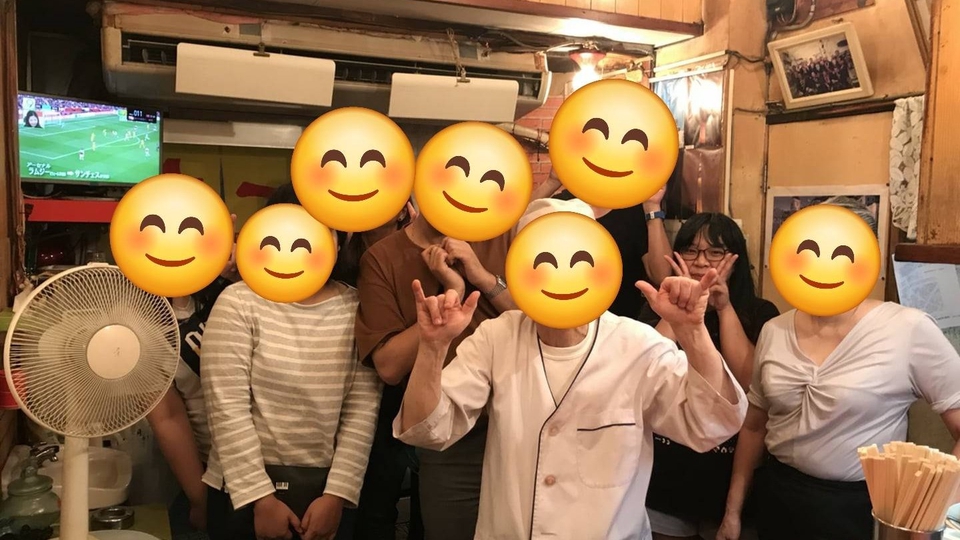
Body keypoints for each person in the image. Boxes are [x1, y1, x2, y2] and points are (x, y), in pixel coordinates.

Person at [396, 198, 748, 540]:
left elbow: (711, 425)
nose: (560, 275)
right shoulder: (497, 338)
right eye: (543, 261)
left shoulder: (636, 345)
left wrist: (692, 332)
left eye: (577, 260)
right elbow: (428, 429)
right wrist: (432, 348)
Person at [716, 205, 960, 540]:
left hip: (861, 508)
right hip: (779, 496)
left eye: (842, 252)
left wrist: (933, 513)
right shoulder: (774, 330)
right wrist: (732, 512)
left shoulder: (908, 328)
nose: (824, 265)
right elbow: (755, 426)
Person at [201, 183, 381, 540]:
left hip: (325, 493)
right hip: (241, 493)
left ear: (340, 239)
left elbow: (362, 408)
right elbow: (227, 408)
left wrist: (337, 495)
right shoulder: (239, 302)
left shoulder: (356, 308)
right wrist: (261, 499)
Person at [641, 213, 779, 540]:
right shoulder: (654, 309)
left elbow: (749, 385)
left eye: (715, 252)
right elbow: (646, 373)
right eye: (691, 250)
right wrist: (677, 311)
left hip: (729, 480)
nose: (702, 261)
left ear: (736, 258)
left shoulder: (760, 313)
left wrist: (723, 307)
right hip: (666, 481)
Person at [148, 213, 239, 537]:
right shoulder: (144, 318)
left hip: (282, 467)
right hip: (211, 472)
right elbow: (167, 415)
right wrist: (200, 498)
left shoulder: (246, 285)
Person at [553, 181, 673, 318]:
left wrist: (652, 207)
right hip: (565, 316)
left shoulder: (633, 208)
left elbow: (661, 276)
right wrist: (551, 182)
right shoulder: (560, 205)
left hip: (623, 320)